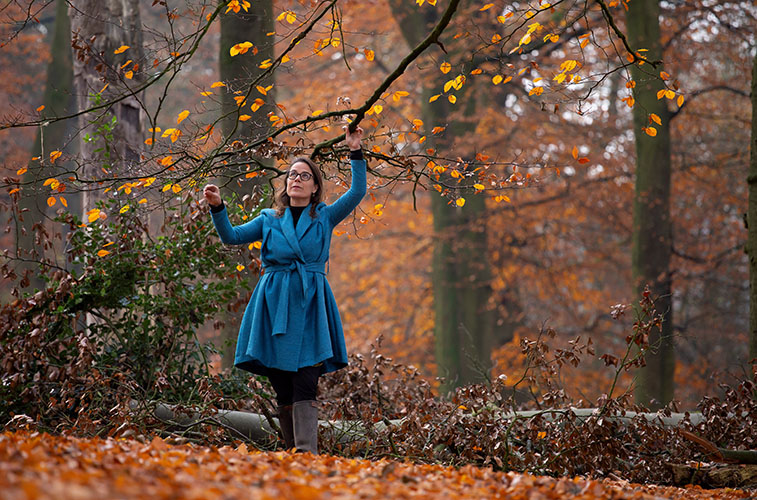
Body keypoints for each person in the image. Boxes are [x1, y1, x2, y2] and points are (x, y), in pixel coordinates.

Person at [202, 126, 365, 454]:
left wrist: (355, 151)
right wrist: (218, 207)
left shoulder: (325, 217)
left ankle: (307, 456)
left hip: (311, 303)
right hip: (273, 303)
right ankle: (293, 456)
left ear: (315, 186)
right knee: (282, 385)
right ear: (286, 183)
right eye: (292, 174)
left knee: (307, 379)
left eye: (305, 176)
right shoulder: (268, 219)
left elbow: (357, 191)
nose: (297, 179)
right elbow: (231, 236)